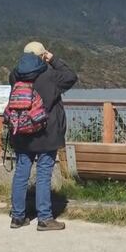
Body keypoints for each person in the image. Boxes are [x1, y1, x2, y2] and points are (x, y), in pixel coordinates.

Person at [9, 41, 77, 231]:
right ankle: (45, 218)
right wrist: (53, 59)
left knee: (22, 171)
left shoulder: (14, 75)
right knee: (44, 172)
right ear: (42, 56)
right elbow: (71, 76)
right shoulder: (50, 76)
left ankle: (17, 216)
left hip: (22, 131)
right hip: (47, 131)